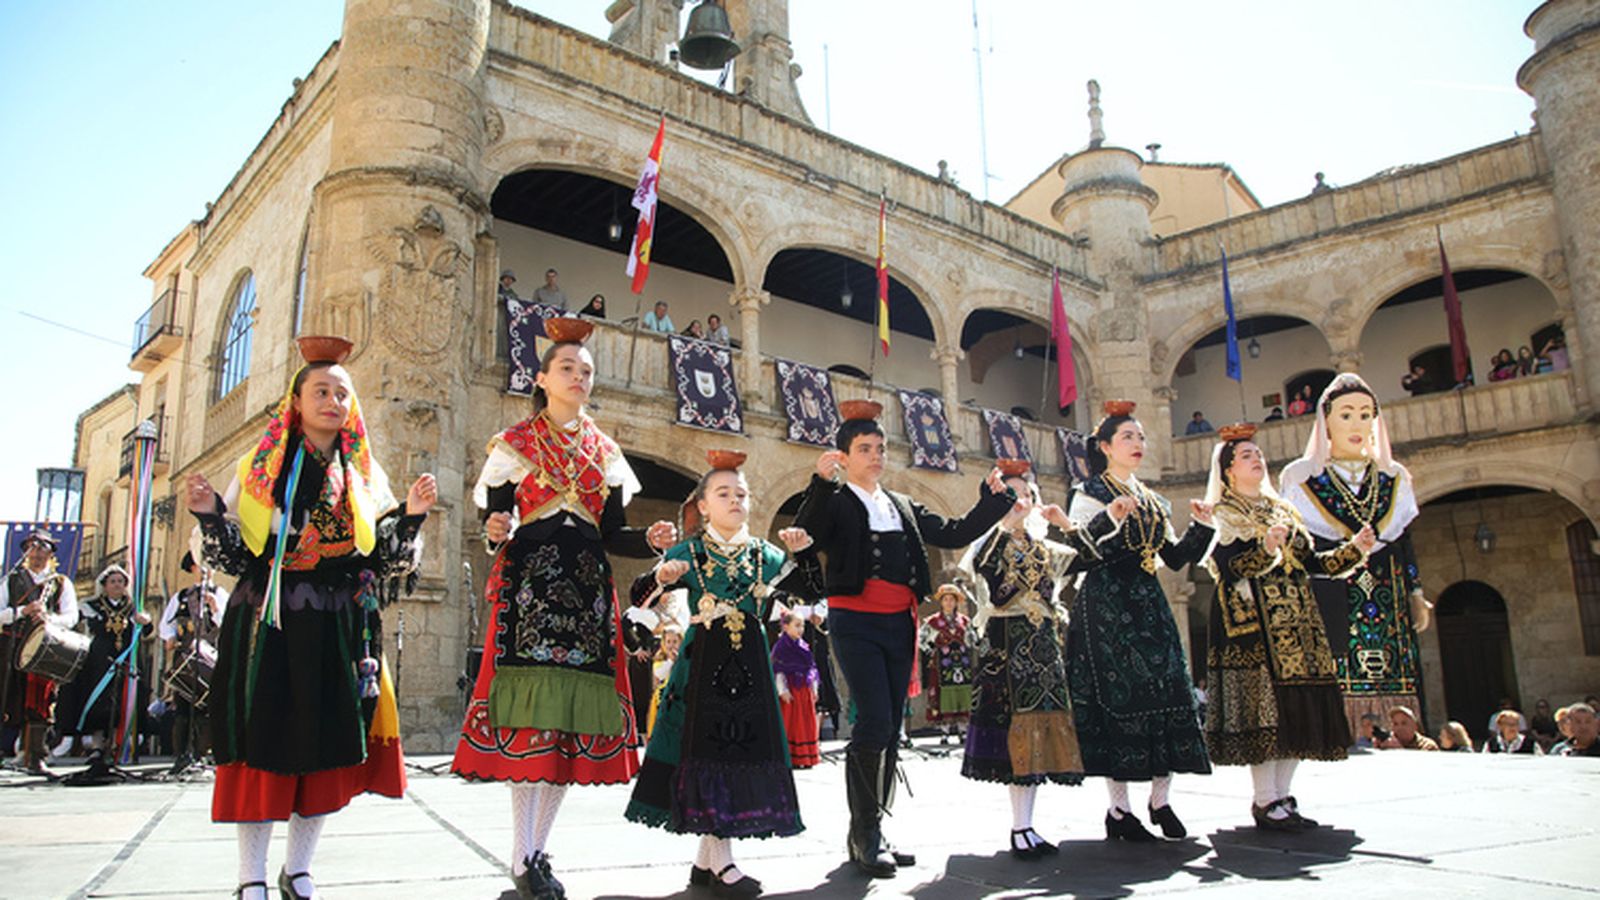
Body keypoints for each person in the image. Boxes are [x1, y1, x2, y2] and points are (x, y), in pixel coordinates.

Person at [185, 335, 434, 900]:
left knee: (323, 748)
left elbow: (383, 556)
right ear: (295, 403)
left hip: (336, 626)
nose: (332, 401)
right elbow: (231, 557)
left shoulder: (366, 478)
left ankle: (298, 870)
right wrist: (208, 516)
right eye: (320, 391)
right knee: (263, 746)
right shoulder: (258, 468)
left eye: (342, 393)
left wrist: (412, 518)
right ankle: (250, 877)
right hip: (269, 622)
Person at [450, 318, 675, 900]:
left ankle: (537, 854)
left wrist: (648, 539)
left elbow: (612, 534)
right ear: (543, 378)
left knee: (570, 728)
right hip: (530, 593)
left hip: (588, 597)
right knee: (533, 724)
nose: (579, 377)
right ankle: (522, 857)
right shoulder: (514, 446)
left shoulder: (605, 452)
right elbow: (494, 525)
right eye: (568, 368)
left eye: (587, 371)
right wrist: (494, 527)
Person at [794, 403, 1013, 877]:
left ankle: (877, 829)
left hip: (900, 623)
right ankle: (864, 832)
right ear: (844, 456)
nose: (875, 456)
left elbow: (954, 532)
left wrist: (993, 501)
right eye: (864, 449)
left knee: (893, 725)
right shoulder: (834, 500)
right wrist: (818, 482)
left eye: (880, 448)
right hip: (855, 621)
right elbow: (808, 534)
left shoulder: (902, 506)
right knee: (873, 720)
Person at [624, 454, 817, 896]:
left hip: (750, 667)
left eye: (741, 494)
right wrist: (661, 574)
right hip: (703, 665)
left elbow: (806, 591)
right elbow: (641, 597)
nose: (734, 500)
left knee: (734, 755)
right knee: (711, 752)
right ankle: (723, 863)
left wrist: (804, 552)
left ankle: (705, 862)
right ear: (704, 505)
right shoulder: (689, 551)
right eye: (723, 493)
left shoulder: (764, 554)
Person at [1202, 424, 1373, 831]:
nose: (1256, 459)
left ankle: (1282, 796)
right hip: (1253, 624)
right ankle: (1264, 799)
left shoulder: (1284, 511)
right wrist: (1265, 549)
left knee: (1297, 710)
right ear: (1228, 470)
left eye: (1257, 454)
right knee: (1266, 711)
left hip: (1297, 623)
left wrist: (1354, 550)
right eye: (1245, 456)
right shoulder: (1225, 514)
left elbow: (1313, 564)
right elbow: (1228, 567)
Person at [1067, 401, 1215, 842]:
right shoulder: (1090, 492)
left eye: (1140, 437)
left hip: (1149, 603)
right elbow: (1078, 552)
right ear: (1106, 447)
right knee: (1119, 700)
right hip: (1107, 605)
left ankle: (1161, 799)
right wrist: (1108, 520)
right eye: (1128, 437)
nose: (1137, 443)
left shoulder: (1153, 499)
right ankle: (1119, 809)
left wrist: (1201, 529)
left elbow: (1172, 557)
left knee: (1169, 691)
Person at [1280, 373, 1430, 738]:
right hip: (1331, 587)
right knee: (1336, 659)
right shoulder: (1303, 478)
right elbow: (1299, 547)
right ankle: (1339, 729)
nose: (1357, 424)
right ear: (1326, 421)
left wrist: (1415, 591)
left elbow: (1403, 540)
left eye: (1366, 414)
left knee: (1395, 661)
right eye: (1346, 414)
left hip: (1386, 584)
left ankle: (1400, 729)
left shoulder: (1393, 477)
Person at [958, 471, 1095, 858]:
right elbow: (996, 590)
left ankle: (1028, 824)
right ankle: (1020, 827)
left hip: (1043, 646)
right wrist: (1006, 528)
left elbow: (1088, 559)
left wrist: (1065, 524)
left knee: (1038, 736)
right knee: (1015, 738)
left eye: (1026, 495)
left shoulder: (1046, 546)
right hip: (1006, 644)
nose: (1020, 502)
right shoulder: (992, 542)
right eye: (1012, 496)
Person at [0, 529, 80, 776]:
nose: (37, 553)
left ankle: (36, 756)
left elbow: (71, 616)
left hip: (44, 648)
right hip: (12, 644)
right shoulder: (10, 580)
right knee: (8, 696)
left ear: (51, 554)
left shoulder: (61, 583)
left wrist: (50, 618)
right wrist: (22, 612)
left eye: (43, 548)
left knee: (41, 701)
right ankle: (6, 751)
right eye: (32, 548)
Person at [58, 564, 153, 761]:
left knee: (127, 696)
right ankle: (97, 744)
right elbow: (77, 623)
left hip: (127, 657)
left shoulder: (134, 606)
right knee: (99, 699)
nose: (117, 585)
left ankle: (123, 743)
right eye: (113, 581)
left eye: (121, 581)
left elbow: (146, 631)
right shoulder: (91, 605)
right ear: (104, 585)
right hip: (100, 658)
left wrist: (144, 622)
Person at [158, 552, 226, 773]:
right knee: (183, 708)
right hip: (186, 658)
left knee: (208, 708)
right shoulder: (181, 596)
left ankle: (202, 753)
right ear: (193, 568)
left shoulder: (221, 594)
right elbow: (166, 623)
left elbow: (227, 624)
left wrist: (215, 608)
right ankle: (181, 756)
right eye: (200, 565)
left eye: (209, 565)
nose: (205, 569)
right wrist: (168, 637)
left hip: (211, 659)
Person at [918, 583, 974, 740]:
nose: (949, 603)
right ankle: (945, 730)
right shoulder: (932, 621)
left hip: (962, 664)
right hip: (941, 664)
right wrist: (930, 650)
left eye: (952, 600)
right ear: (941, 602)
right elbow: (921, 640)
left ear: (956, 602)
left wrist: (972, 639)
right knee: (942, 693)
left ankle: (963, 729)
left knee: (962, 692)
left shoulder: (964, 621)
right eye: (946, 599)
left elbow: (972, 640)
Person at [773, 609, 822, 770]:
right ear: (786, 626)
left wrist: (814, 687)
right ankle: (791, 757)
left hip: (804, 691)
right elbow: (778, 669)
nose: (801, 629)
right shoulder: (781, 647)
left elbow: (811, 668)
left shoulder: (804, 646)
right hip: (791, 691)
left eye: (802, 626)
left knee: (805, 723)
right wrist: (783, 690)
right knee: (792, 724)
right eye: (797, 625)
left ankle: (806, 757)